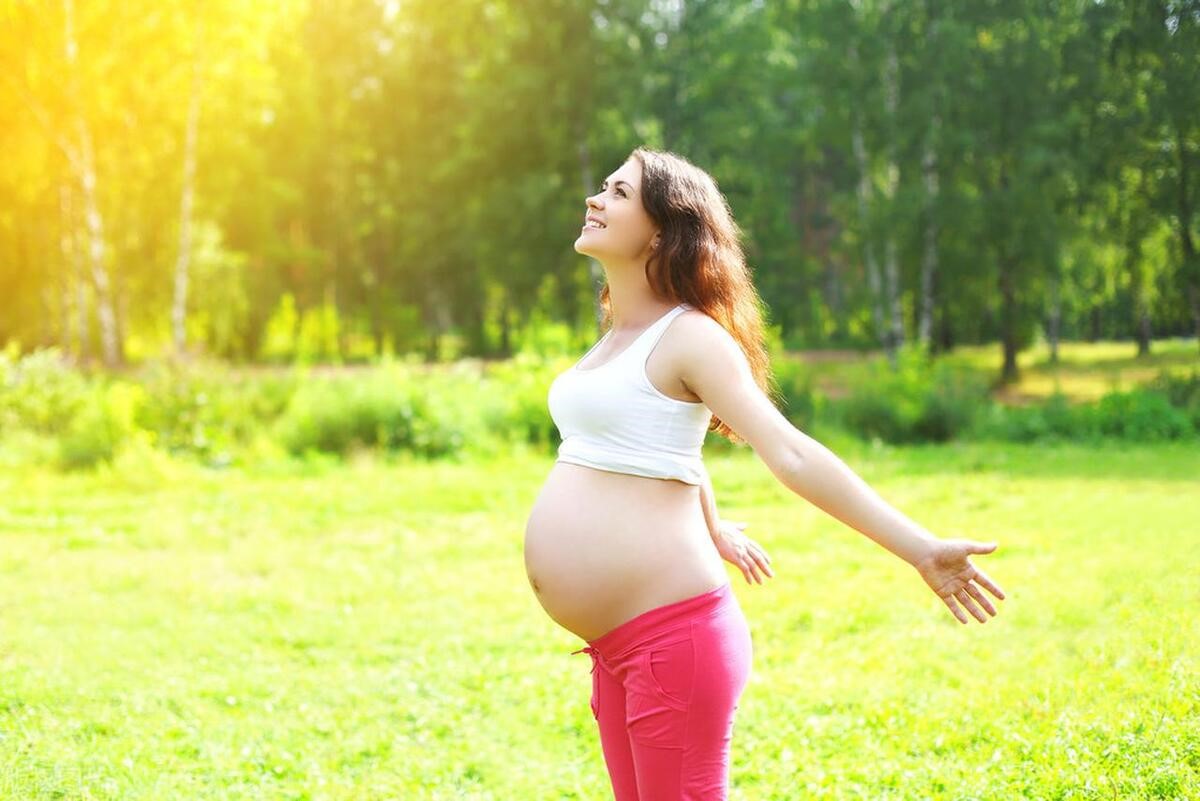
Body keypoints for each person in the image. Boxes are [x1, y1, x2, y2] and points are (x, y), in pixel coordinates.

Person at [522, 147, 1006, 801]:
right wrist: (713, 525)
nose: (595, 199)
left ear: (663, 230)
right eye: (603, 187)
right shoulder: (617, 335)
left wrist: (919, 547)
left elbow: (791, 452)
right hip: (619, 645)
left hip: (670, 641)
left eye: (619, 192)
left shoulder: (691, 337)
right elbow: (662, 445)